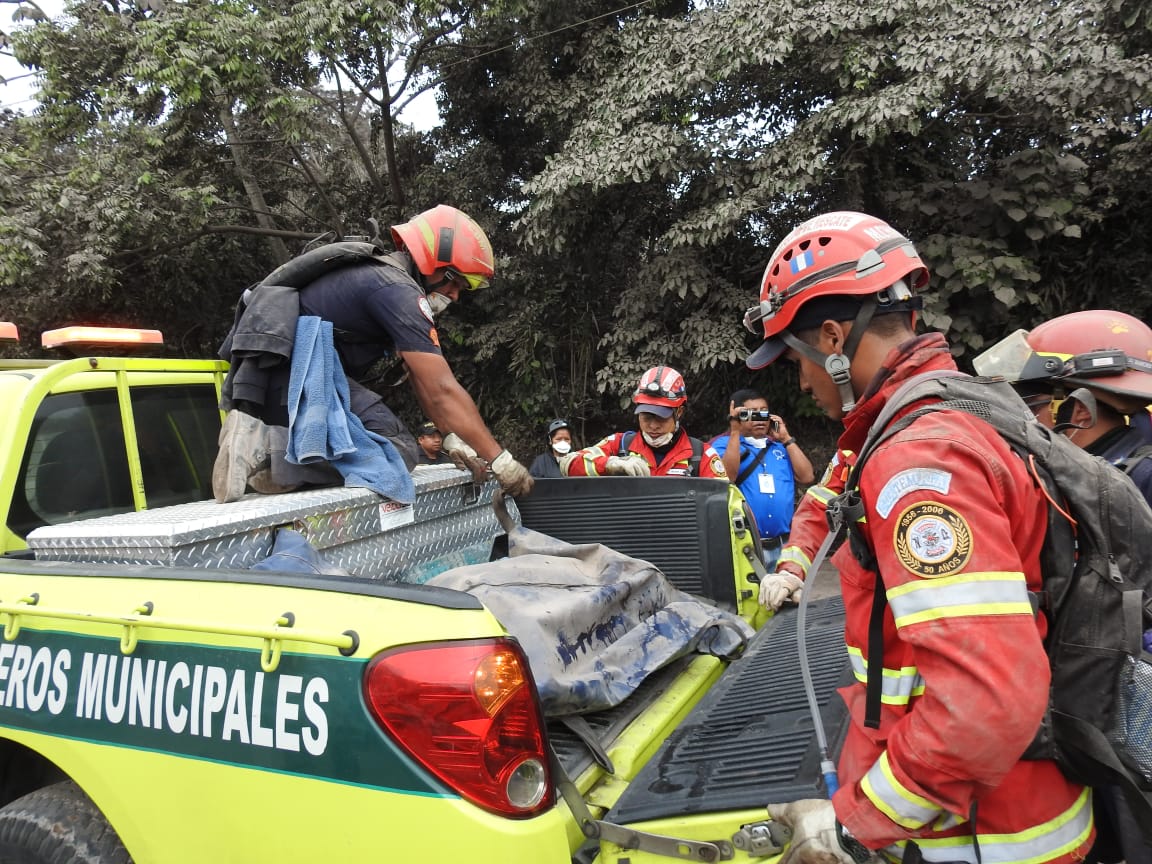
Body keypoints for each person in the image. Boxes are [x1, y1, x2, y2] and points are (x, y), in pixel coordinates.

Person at [744, 212, 1093, 864]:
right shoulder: (941, 414)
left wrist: (850, 826)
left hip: (990, 835)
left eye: (797, 359)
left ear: (830, 336)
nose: (799, 381)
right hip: (976, 808)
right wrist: (793, 565)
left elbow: (983, 704)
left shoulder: (920, 460)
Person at [975, 309, 1152, 864]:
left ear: (1079, 407)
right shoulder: (1103, 468)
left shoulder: (1128, 483)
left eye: (1037, 404)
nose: (1031, 423)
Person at [213, 204, 533, 502]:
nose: (455, 295)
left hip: (283, 375)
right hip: (291, 374)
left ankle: (270, 453)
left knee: (382, 444)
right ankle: (270, 452)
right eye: (456, 282)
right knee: (398, 447)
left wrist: (450, 437)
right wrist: (500, 460)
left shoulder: (385, 279)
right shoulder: (397, 290)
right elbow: (442, 390)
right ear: (434, 261)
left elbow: (422, 383)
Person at [973, 310, 1152, 503]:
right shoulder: (1082, 474)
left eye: (1029, 407)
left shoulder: (1140, 481)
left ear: (1080, 410)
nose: (1018, 418)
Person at [559, 366, 728, 478]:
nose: (653, 426)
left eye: (661, 417)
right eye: (646, 417)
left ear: (679, 412)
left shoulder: (701, 455)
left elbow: (720, 503)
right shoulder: (619, 445)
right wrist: (610, 464)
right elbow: (568, 464)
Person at [711, 388, 814, 568]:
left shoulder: (780, 447)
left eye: (763, 412)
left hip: (783, 542)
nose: (759, 419)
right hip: (746, 545)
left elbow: (807, 476)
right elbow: (727, 477)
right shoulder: (722, 446)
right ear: (737, 416)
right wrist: (734, 432)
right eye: (751, 413)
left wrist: (786, 438)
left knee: (785, 594)